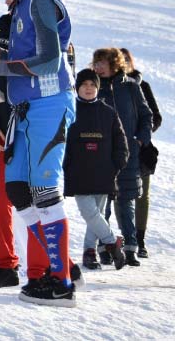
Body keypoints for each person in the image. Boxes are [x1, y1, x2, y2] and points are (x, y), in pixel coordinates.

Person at [0, 0, 77, 307]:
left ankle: (62, 281)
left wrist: (0, 68)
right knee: (17, 188)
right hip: (27, 105)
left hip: (49, 102)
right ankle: (60, 266)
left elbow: (51, 60)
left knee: (45, 189)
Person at [91, 47, 152, 267]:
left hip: (128, 154)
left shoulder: (131, 87)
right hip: (101, 155)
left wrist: (140, 139)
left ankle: (130, 249)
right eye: (95, 62)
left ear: (114, 64)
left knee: (126, 202)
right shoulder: (92, 87)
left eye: (102, 62)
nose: (97, 67)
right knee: (102, 205)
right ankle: (104, 248)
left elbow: (147, 116)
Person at [63, 68, 128, 270]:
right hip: (78, 173)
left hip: (103, 172)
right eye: (84, 85)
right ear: (77, 87)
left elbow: (121, 142)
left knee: (97, 214)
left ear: (98, 88)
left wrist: (117, 164)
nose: (89, 88)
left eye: (93, 85)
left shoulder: (108, 112)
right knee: (90, 213)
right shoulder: (69, 109)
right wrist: (65, 166)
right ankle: (112, 241)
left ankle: (89, 252)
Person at [120, 47, 162, 258]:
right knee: (114, 195)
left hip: (141, 150)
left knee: (141, 195)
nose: (124, 62)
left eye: (127, 59)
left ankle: (140, 240)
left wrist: (141, 136)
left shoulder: (142, 86)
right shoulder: (107, 86)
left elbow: (156, 117)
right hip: (115, 150)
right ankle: (116, 239)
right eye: (120, 59)